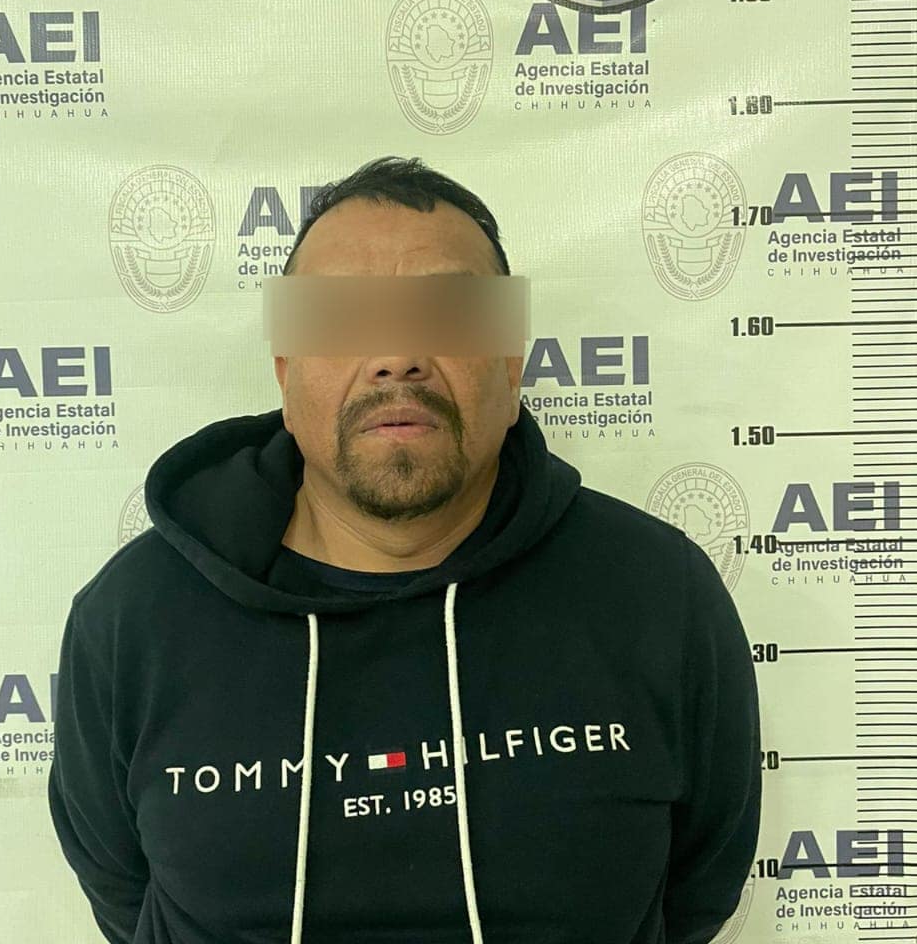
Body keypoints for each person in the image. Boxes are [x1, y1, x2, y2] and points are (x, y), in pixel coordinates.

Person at [48, 155, 762, 944]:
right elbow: (123, 892)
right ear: (285, 367)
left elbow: (697, 892)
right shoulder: (134, 619)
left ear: (513, 360)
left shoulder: (658, 593)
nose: (397, 353)